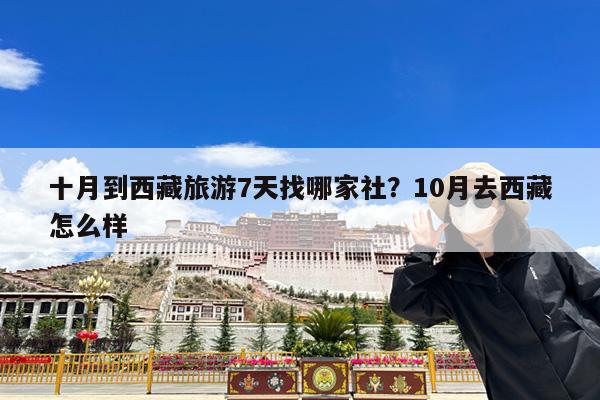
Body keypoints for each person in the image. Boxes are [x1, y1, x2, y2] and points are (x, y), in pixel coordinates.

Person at [390, 162, 600, 400]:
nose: (469, 205)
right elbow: (407, 305)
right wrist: (422, 252)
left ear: (501, 208)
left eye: (481, 197)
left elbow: (594, 292)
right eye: (459, 198)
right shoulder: (450, 278)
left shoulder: (542, 242)